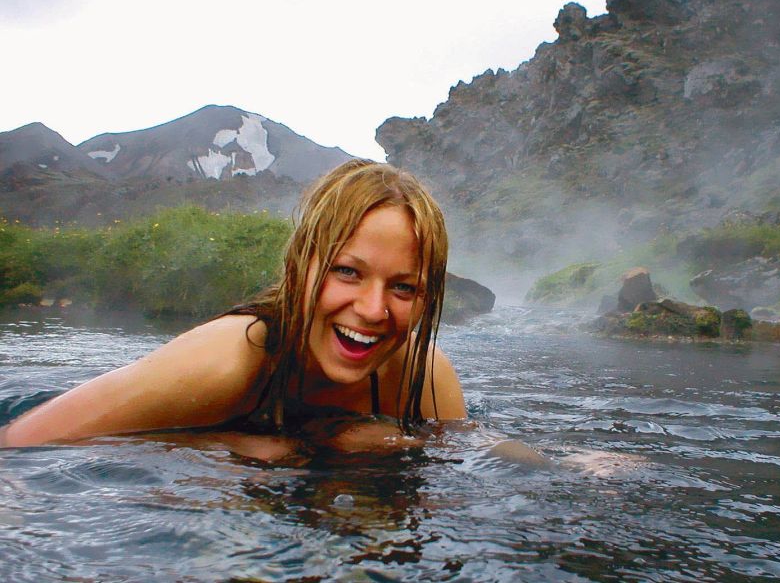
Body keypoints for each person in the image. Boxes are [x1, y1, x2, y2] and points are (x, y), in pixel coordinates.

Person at [0, 159, 465, 457]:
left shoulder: (422, 376)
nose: (372, 309)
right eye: (347, 271)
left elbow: (480, 453)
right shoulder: (225, 361)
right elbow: (19, 445)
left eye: (403, 288)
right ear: (300, 264)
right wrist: (218, 448)